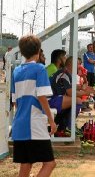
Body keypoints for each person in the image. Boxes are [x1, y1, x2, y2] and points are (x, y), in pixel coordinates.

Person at [11, 35, 56, 177]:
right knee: (50, 163)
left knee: (26, 164)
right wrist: (51, 120)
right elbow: (42, 96)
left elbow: (15, 101)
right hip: (34, 124)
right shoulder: (40, 69)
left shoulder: (16, 71)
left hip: (19, 124)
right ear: (38, 50)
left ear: (22, 52)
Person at [49, 56, 95, 131]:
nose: (79, 66)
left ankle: (62, 126)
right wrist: (86, 92)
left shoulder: (64, 72)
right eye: (78, 64)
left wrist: (81, 88)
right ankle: (69, 127)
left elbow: (70, 86)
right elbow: (71, 93)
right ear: (71, 65)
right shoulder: (64, 74)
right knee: (77, 100)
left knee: (73, 101)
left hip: (53, 98)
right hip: (51, 100)